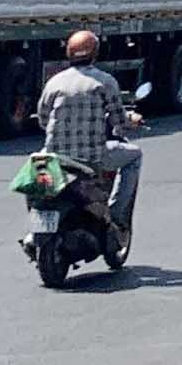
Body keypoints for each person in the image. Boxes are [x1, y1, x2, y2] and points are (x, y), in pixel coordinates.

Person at [34, 30, 143, 228]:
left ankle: (35, 230)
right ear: (95, 54)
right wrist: (131, 120)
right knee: (135, 155)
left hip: (55, 157)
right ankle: (117, 215)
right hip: (92, 158)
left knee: (35, 169)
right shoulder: (105, 81)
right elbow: (119, 120)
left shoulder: (54, 82)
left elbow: (42, 119)